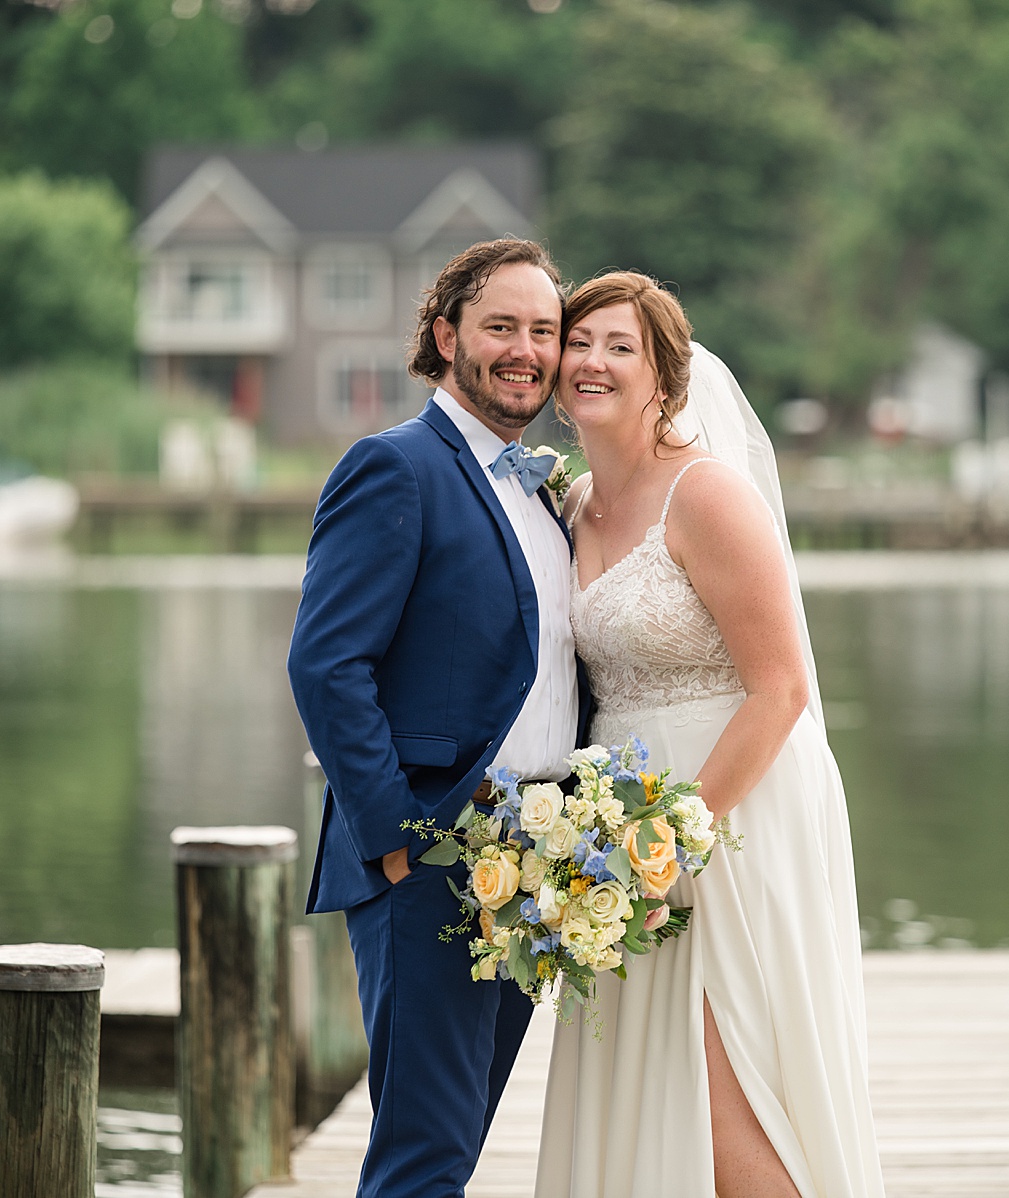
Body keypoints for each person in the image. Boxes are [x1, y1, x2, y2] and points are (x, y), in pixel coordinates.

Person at [535, 271, 885, 1198]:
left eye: (622, 347)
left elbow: (781, 690)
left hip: (732, 812)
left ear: (666, 379)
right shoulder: (568, 506)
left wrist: (674, 838)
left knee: (727, 1084)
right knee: (654, 1084)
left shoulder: (708, 495)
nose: (594, 361)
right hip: (617, 825)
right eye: (580, 342)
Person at [288, 238, 590, 1197]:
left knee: (448, 1149)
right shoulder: (394, 468)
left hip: (536, 866)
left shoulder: (540, 489)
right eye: (501, 326)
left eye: (543, 331)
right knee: (422, 1159)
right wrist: (397, 845)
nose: (525, 350)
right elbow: (326, 665)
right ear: (445, 332)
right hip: (432, 861)